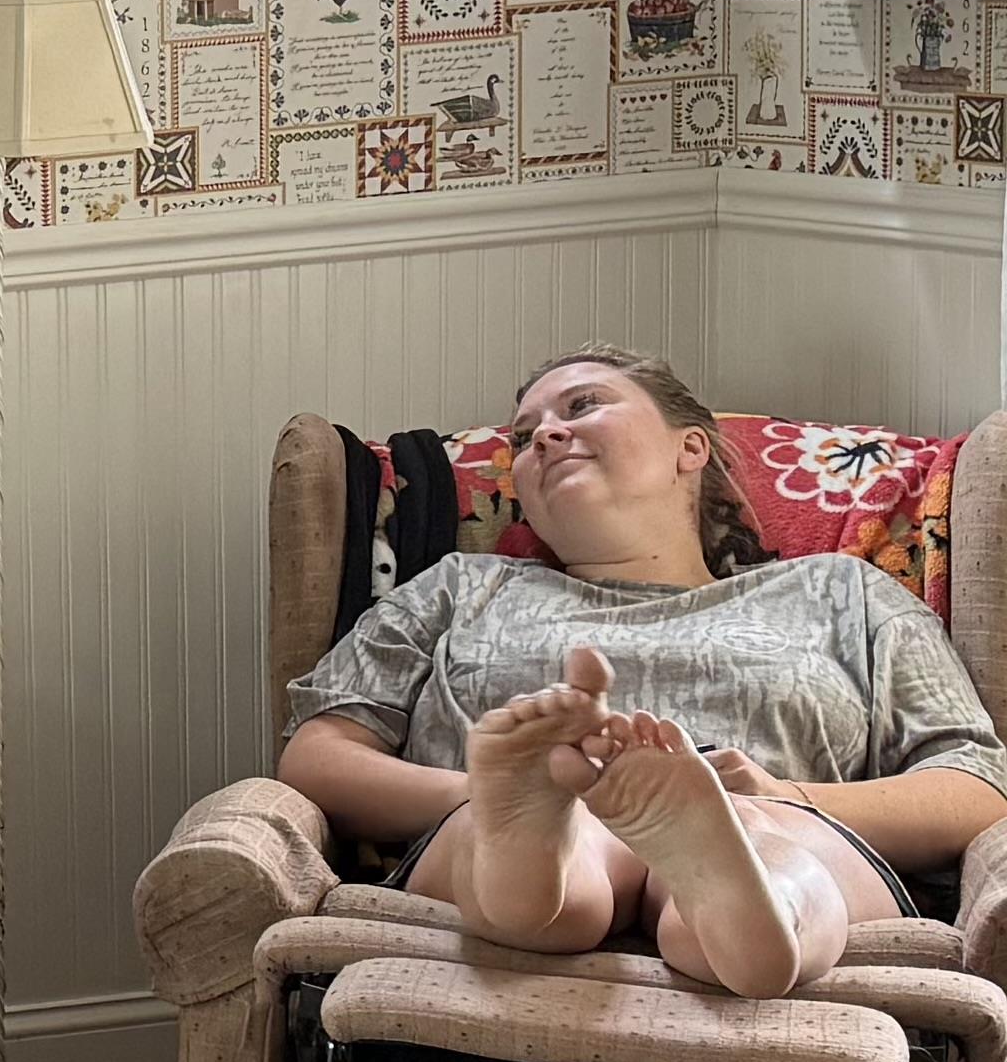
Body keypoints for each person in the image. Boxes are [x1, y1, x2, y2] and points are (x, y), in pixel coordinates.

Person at [279, 347, 1007, 998]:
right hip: (488, 817)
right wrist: (492, 789)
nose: (547, 436)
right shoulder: (459, 586)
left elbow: (977, 786)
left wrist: (783, 791)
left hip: (781, 814)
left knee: (759, 831)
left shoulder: (841, 591)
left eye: (583, 405)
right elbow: (318, 754)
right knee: (543, 827)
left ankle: (745, 903)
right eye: (525, 439)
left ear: (691, 447)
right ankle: (534, 848)